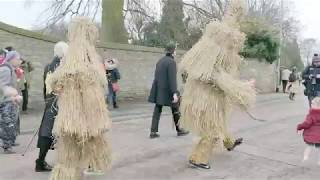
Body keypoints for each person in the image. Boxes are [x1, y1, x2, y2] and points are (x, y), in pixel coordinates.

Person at [179, 0, 255, 169]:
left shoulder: (226, 47)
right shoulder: (215, 40)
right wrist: (233, 87)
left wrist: (238, 86)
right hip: (206, 96)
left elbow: (224, 72)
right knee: (212, 130)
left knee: (219, 124)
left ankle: (227, 143)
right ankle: (199, 159)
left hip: (215, 96)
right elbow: (203, 71)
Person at [35, 41, 68, 172]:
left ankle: (40, 161)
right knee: (63, 132)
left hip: (49, 102)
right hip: (62, 103)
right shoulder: (65, 67)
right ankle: (64, 163)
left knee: (46, 131)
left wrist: (47, 101)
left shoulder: (48, 66)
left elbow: (45, 87)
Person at [148, 42, 189, 139]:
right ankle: (179, 130)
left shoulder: (160, 61)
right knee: (175, 109)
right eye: (175, 49)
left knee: (157, 109)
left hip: (159, 89)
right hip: (168, 90)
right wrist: (174, 93)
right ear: (173, 51)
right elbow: (172, 79)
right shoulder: (171, 62)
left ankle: (153, 132)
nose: (176, 51)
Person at [0, 51, 22, 154]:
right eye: (18, 58)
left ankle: (9, 142)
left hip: (10, 101)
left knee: (11, 123)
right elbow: (2, 86)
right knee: (7, 123)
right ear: (12, 59)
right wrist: (13, 95)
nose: (20, 60)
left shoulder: (11, 69)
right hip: (6, 102)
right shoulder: (5, 69)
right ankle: (7, 145)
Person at [297, 97, 320, 165]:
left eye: (313, 103)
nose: (311, 104)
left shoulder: (312, 114)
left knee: (309, 146)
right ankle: (319, 161)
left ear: (317, 105)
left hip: (312, 135)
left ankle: (305, 157)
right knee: (319, 148)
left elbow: (307, 123)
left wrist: (299, 127)